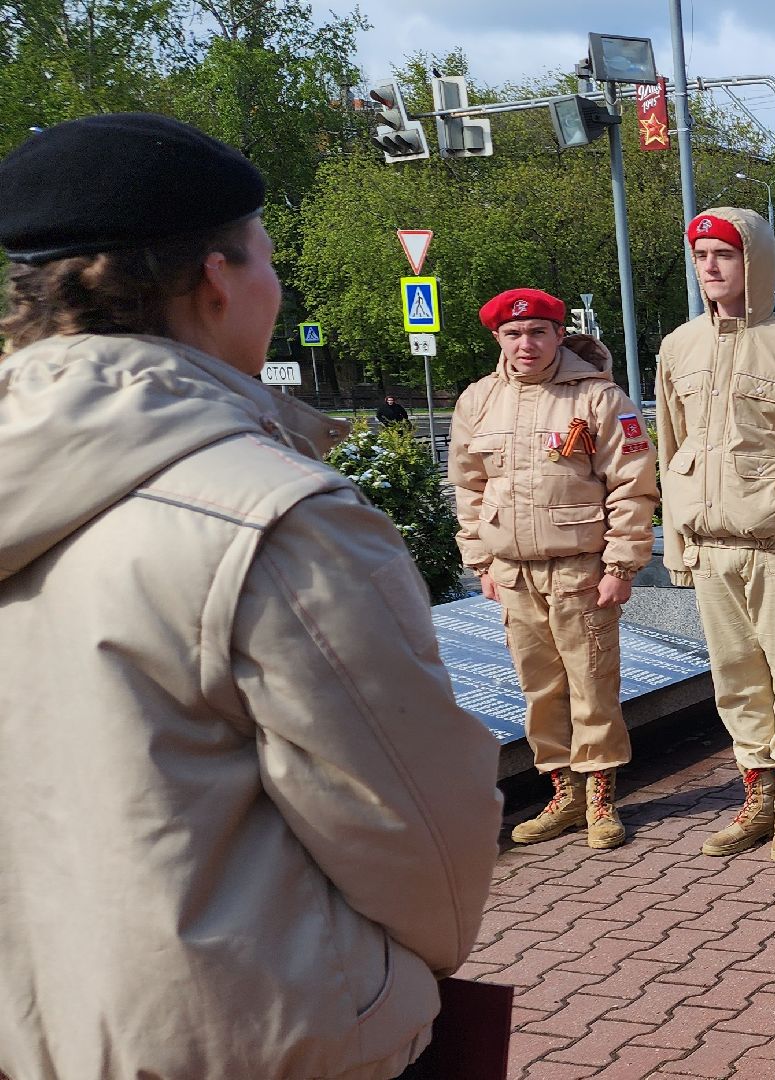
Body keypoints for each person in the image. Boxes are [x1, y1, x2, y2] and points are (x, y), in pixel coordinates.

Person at [0, 113, 500, 1079]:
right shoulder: (275, 517)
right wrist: (392, 982)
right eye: (267, 257)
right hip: (254, 1036)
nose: (275, 283)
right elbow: (417, 834)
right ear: (216, 281)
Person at [656, 206, 775, 862]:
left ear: (753, 261)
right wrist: (678, 544)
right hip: (711, 549)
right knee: (733, 679)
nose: (709, 267)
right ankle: (755, 798)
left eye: (724, 255)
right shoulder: (678, 348)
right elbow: (670, 449)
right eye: (701, 255)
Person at [450, 288, 659, 850]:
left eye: (538, 332)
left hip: (581, 571)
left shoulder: (598, 397)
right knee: (539, 690)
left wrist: (622, 565)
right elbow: (469, 489)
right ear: (498, 338)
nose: (526, 344)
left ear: (558, 334)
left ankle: (600, 799)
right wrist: (481, 561)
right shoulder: (479, 401)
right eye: (513, 334)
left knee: (593, 684)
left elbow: (633, 486)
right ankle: (563, 795)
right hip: (514, 574)